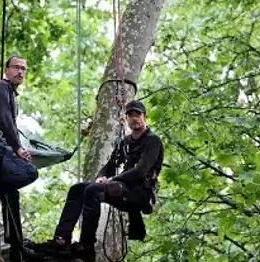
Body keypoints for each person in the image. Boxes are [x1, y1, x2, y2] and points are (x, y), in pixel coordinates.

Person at [31, 100, 164, 261]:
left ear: (145, 117)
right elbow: (109, 165)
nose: (134, 119)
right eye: (131, 115)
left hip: (138, 193)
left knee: (94, 191)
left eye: (138, 115)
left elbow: (140, 171)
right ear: (126, 118)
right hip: (122, 188)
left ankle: (86, 246)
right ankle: (61, 240)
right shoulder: (125, 142)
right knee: (78, 189)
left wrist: (112, 179)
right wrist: (101, 176)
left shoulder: (153, 141)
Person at [0, 55, 39, 262]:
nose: (20, 72)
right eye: (16, 67)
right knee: (30, 172)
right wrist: (17, 148)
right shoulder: (1, 88)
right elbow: (4, 118)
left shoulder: (11, 94)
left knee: (11, 192)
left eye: (24, 69)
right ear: (6, 70)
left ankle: (16, 245)